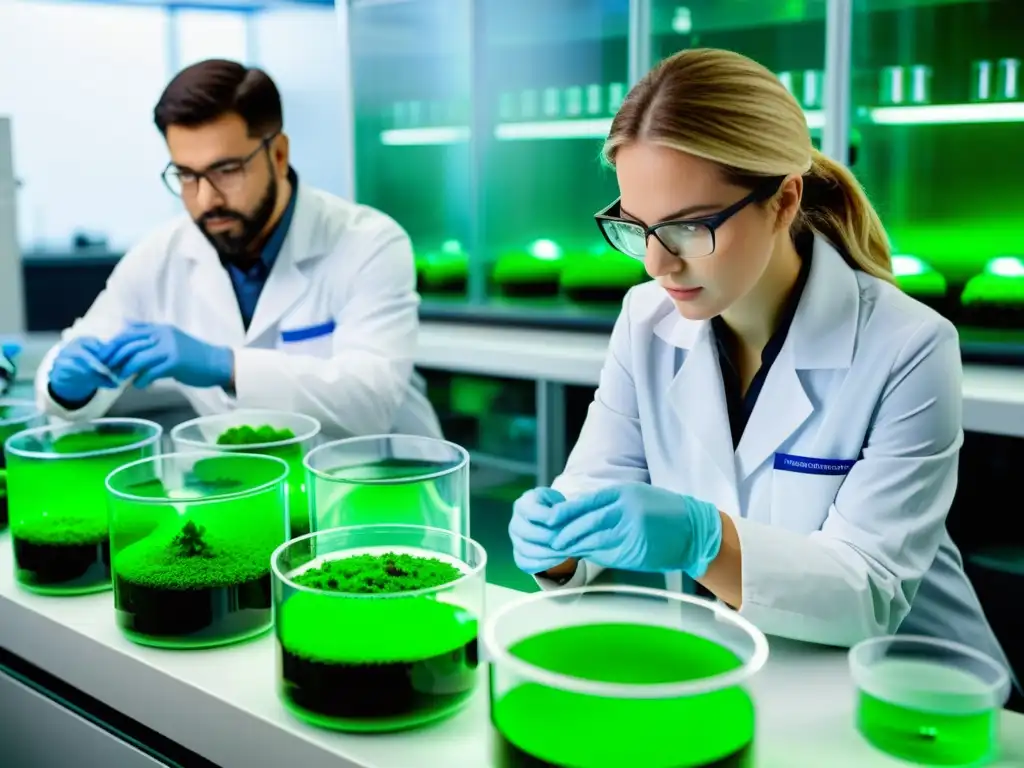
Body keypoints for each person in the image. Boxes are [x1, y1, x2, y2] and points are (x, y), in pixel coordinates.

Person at [509, 48, 1012, 677]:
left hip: (907, 686)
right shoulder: (645, 321)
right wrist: (557, 544)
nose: (656, 264)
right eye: (636, 227)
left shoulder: (908, 346)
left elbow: (872, 591)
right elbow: (593, 486)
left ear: (782, 200)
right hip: (741, 664)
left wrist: (706, 538)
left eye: (689, 227)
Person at [34, 59, 441, 439]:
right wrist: (65, 385)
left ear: (278, 154)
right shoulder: (161, 256)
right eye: (186, 175)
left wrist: (226, 366)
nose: (205, 198)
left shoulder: (368, 242)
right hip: (248, 495)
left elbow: (369, 402)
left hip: (377, 485)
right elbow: (80, 353)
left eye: (226, 171)